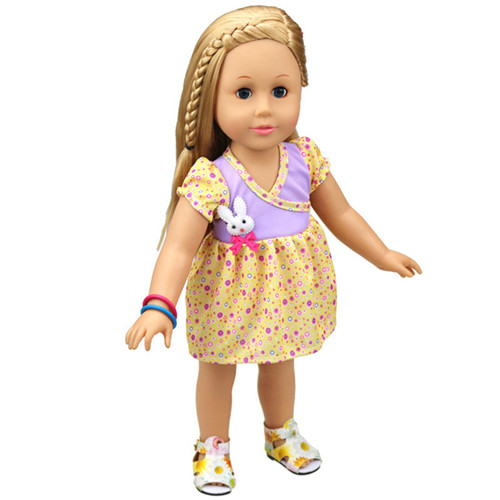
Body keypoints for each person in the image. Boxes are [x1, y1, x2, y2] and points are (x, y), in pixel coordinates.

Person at [125, 5, 422, 496]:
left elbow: (341, 213)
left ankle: (279, 431)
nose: (264, 109)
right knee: (217, 370)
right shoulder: (212, 177)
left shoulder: (305, 158)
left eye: (280, 91)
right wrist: (159, 305)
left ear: (300, 88)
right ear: (210, 97)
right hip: (228, 297)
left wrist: (382, 254)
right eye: (244, 93)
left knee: (281, 363)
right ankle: (213, 445)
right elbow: (178, 249)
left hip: (290, 294)